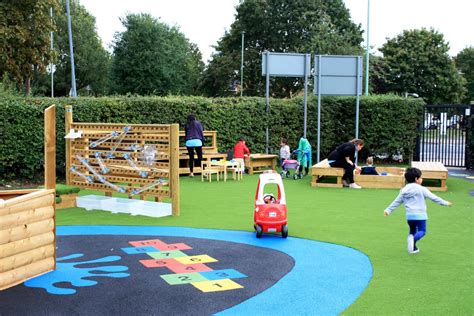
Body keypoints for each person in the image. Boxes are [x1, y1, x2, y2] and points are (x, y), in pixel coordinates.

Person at [384, 167, 452, 254]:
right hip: (420, 215)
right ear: (416, 179)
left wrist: (388, 210)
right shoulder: (421, 189)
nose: (421, 179)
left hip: (410, 216)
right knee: (422, 231)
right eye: (420, 177)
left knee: (412, 231)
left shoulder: (403, 190)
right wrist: (446, 203)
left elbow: (396, 202)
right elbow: (434, 198)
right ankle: (413, 239)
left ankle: (413, 248)